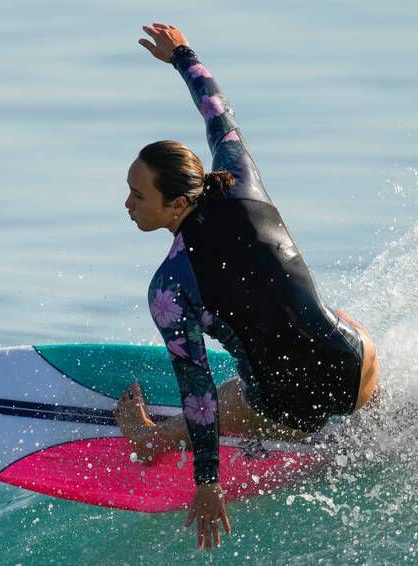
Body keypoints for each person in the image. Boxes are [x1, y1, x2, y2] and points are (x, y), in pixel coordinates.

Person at [113, 23, 381, 551]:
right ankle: (367, 422)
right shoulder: (241, 179)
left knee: (235, 390)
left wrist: (207, 483)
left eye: (137, 196)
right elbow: (217, 112)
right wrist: (183, 55)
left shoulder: (170, 288)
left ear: (175, 204)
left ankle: (150, 438)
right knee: (322, 314)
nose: (127, 205)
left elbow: (198, 395)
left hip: (294, 405)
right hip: (358, 365)